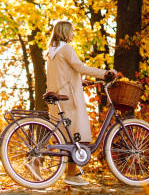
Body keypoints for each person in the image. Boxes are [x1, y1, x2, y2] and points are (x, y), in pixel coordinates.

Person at [43, 20, 117, 186]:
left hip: (58, 97)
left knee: (67, 138)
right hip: (69, 99)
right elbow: (80, 67)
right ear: (65, 32)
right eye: (72, 31)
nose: (73, 34)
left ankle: (72, 173)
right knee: (79, 137)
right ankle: (71, 175)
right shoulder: (66, 49)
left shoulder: (51, 52)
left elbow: (63, 73)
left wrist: (80, 81)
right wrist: (105, 73)